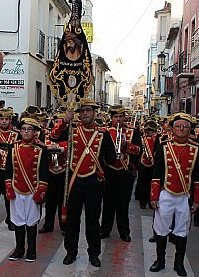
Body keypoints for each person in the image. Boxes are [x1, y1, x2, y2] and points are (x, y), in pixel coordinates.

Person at [51, 99, 116, 267]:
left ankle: (94, 253)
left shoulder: (103, 134)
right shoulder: (72, 129)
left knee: (93, 220)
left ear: (95, 113)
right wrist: (64, 121)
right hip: (74, 180)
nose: (85, 113)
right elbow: (53, 136)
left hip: (93, 182)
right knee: (72, 220)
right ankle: (71, 252)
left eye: (89, 110)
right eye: (83, 111)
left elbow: (110, 159)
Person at [149, 113, 199, 277]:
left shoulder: (196, 149)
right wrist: (154, 196)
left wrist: (197, 200)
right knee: (161, 229)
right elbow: (156, 173)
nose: (181, 129)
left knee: (182, 230)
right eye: (178, 126)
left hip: (184, 196)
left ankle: (179, 263)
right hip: (166, 193)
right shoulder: (164, 147)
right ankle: (160, 260)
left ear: (190, 130)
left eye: (185, 126)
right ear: (172, 129)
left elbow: (198, 177)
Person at [4, 118, 49, 262]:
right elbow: (9, 169)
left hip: (33, 189)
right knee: (18, 221)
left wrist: (41, 189)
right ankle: (19, 249)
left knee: (31, 222)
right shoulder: (13, 148)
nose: (26, 132)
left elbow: (44, 172)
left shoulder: (41, 149)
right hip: (17, 188)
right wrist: (9, 186)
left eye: (29, 129)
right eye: (24, 129)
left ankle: (32, 251)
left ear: (35, 132)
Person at [101, 105, 141, 242]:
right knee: (107, 203)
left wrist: (126, 145)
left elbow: (138, 151)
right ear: (111, 118)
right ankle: (105, 229)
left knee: (123, 203)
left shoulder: (132, 132)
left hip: (125, 171)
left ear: (124, 117)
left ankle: (124, 231)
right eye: (115, 117)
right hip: (109, 171)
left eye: (120, 116)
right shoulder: (105, 132)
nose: (118, 119)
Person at [39, 111, 68, 234]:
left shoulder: (70, 135)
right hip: (50, 172)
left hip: (64, 172)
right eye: (56, 122)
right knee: (50, 201)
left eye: (60, 122)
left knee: (64, 201)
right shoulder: (46, 136)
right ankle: (48, 224)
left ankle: (64, 225)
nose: (58, 124)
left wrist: (61, 147)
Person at [135, 119, 159, 209]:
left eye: (152, 130)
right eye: (149, 130)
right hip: (143, 162)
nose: (150, 132)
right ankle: (142, 201)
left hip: (153, 163)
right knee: (142, 183)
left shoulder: (157, 138)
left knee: (151, 183)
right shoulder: (142, 138)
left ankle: (150, 200)